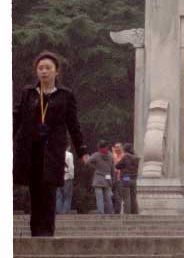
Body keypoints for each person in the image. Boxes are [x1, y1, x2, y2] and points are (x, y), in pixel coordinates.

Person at [13, 51, 89, 236]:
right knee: (35, 192)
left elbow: (73, 124)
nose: (44, 72)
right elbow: (17, 118)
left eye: (48, 68)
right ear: (36, 72)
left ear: (57, 72)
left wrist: (82, 150)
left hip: (52, 152)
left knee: (48, 192)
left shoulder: (65, 95)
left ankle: (47, 233)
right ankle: (35, 233)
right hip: (31, 151)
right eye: (40, 68)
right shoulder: (28, 93)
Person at [90, 141, 116, 214]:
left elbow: (88, 162)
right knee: (108, 197)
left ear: (99, 147)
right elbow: (113, 169)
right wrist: (113, 180)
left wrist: (95, 167)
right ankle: (110, 212)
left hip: (98, 178)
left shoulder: (96, 155)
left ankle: (101, 212)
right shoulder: (111, 156)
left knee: (99, 198)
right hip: (107, 178)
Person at [115, 143, 141, 214]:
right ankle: (135, 213)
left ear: (125, 149)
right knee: (133, 197)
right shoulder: (136, 158)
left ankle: (127, 213)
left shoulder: (126, 156)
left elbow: (117, 166)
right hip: (134, 179)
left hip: (126, 178)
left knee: (126, 197)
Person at [57, 146, 75, 214]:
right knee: (67, 196)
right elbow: (71, 167)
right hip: (67, 177)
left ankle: (58, 211)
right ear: (68, 146)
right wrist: (71, 176)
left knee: (59, 195)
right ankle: (65, 212)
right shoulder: (69, 154)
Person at [111, 142, 125, 213]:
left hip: (120, 179)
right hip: (113, 178)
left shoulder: (124, 156)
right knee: (112, 195)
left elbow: (117, 165)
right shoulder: (114, 155)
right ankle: (113, 210)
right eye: (116, 147)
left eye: (118, 147)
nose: (117, 148)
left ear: (121, 148)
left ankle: (117, 212)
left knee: (118, 196)